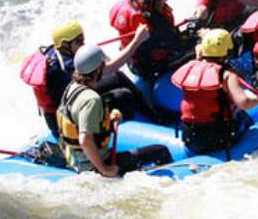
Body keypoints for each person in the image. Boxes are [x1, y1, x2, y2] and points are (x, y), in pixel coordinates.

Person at [20, 20, 152, 137]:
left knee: (118, 77)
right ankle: (121, 135)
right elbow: (111, 67)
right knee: (123, 96)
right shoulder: (68, 66)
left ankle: (153, 115)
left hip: (71, 99)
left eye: (83, 39)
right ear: (65, 45)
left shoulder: (57, 51)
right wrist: (137, 41)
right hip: (66, 117)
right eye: (79, 41)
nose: (83, 44)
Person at [57, 44, 173, 177]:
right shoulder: (91, 99)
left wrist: (108, 117)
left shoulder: (71, 87)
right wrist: (105, 169)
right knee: (161, 151)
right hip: (95, 167)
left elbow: (76, 119)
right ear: (98, 70)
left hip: (75, 161)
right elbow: (85, 140)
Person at [171, 29, 258, 156]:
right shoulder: (227, 74)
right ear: (227, 51)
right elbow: (243, 103)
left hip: (190, 136)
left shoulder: (192, 66)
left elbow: (201, 55)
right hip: (217, 138)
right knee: (244, 117)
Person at [109, 0, 196, 80]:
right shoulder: (148, 20)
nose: (166, 1)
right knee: (197, 47)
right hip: (147, 67)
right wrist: (196, 36)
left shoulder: (127, 4)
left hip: (132, 60)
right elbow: (173, 44)